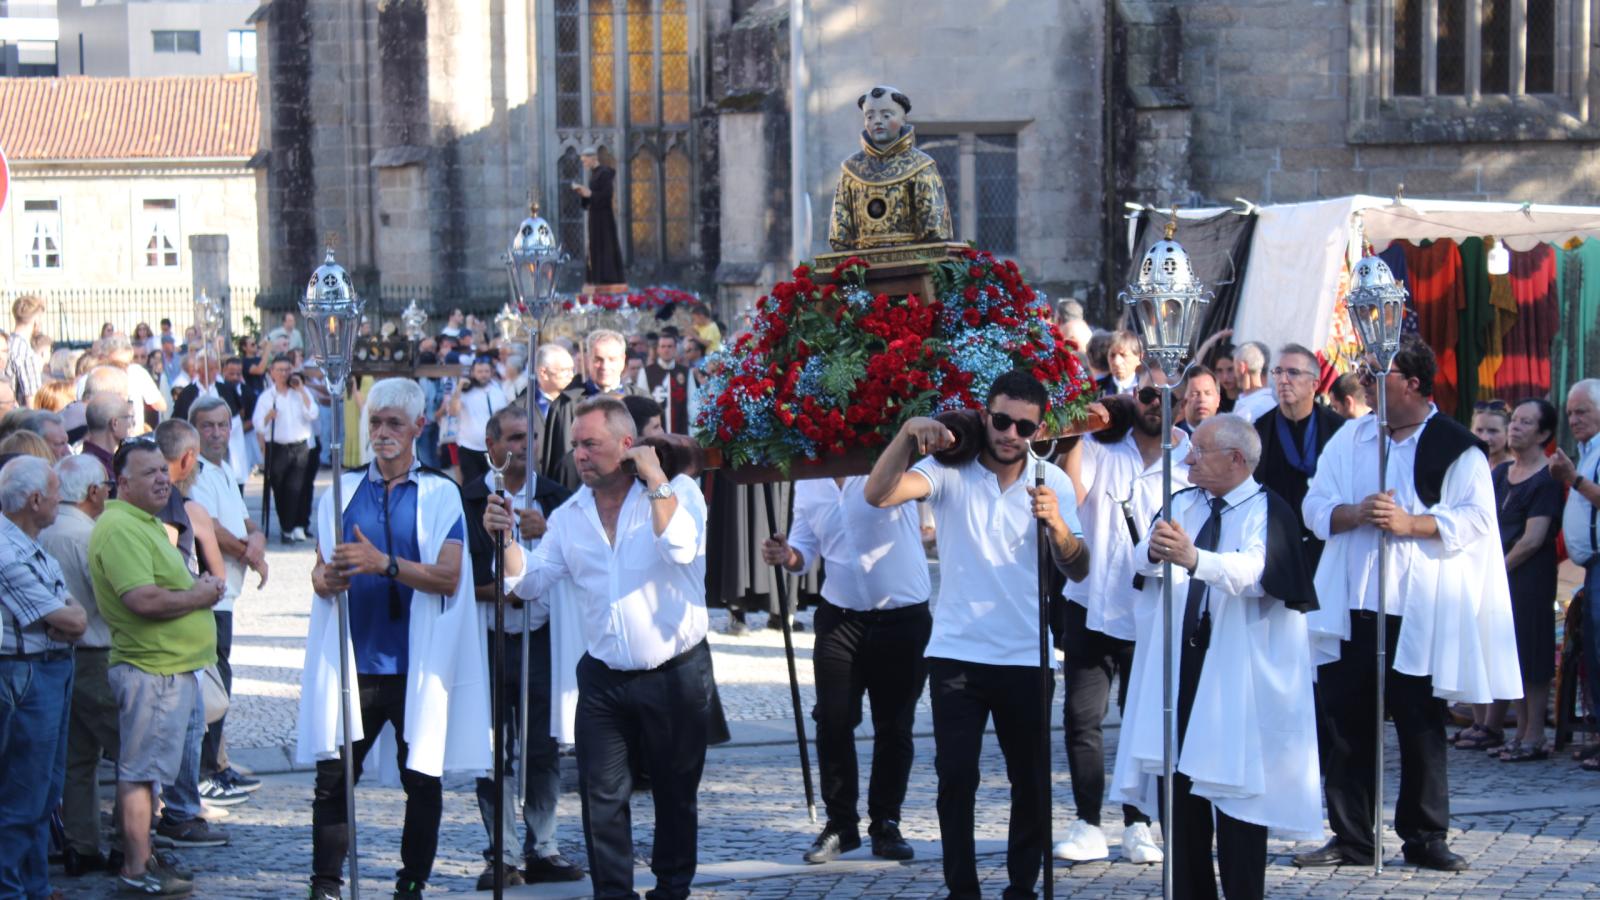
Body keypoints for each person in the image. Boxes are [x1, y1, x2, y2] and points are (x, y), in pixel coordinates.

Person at [1297, 336, 1521, 871]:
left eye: (1379, 373)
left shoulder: (1457, 446)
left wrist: (1411, 523)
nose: (1365, 381)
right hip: (1354, 601)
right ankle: (1353, 837)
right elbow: (1314, 503)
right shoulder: (1352, 437)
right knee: (1345, 725)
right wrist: (1354, 513)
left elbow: (1476, 519)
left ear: (1413, 384)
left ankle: (1424, 836)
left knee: (1420, 725)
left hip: (1416, 606)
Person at [864, 370, 1089, 900]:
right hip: (957, 653)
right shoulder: (950, 471)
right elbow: (878, 494)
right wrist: (907, 435)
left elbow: (1079, 567)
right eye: (1003, 420)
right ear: (986, 415)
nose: (1011, 434)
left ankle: (1021, 888)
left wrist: (1057, 526)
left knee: (1030, 780)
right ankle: (961, 889)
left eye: (1025, 427)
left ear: (1039, 430)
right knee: (956, 778)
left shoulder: (1051, 481)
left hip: (1027, 656)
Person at [488, 396, 712, 900]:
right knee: (602, 797)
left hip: (674, 671)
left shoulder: (680, 492)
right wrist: (506, 540)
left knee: (675, 793)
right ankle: (613, 894)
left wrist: (655, 479)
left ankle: (671, 890)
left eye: (590, 444)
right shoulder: (570, 515)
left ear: (627, 444)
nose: (580, 456)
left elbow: (680, 547)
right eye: (576, 446)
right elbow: (527, 584)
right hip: (604, 677)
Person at [1112, 414, 1324, 900]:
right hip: (1180, 665)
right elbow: (1141, 562)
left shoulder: (1268, 509)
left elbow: (1257, 571)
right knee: (1179, 792)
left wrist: (1195, 559)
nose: (1188, 458)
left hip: (1235, 673)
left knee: (1235, 795)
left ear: (1235, 459)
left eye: (1200, 450)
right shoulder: (1182, 502)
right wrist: (1154, 551)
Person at [299, 378, 489, 900]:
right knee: (334, 780)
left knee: (421, 778)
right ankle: (325, 884)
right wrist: (327, 579)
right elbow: (318, 572)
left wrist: (383, 564)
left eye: (394, 424)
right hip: (354, 661)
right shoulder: (341, 491)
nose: (382, 432)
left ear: (418, 428)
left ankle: (411, 881)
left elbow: (449, 577)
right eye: (376, 421)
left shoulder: (440, 493)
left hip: (415, 665)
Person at [761, 474, 932, 865]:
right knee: (832, 720)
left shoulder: (883, 466)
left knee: (894, 725)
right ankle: (841, 824)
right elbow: (804, 551)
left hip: (902, 616)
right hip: (840, 616)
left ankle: (886, 823)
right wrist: (787, 555)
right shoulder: (810, 481)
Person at [1052, 378, 1184, 866]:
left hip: (1151, 609)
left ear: (1184, 404)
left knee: (1143, 721)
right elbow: (1071, 494)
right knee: (1081, 718)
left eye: (1169, 397)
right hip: (1091, 601)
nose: (1156, 404)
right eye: (1147, 394)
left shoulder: (1188, 460)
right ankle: (1087, 822)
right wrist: (1079, 426)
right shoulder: (1101, 445)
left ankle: (1138, 823)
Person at [91, 438, 227, 894]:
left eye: (162, 471)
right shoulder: (120, 528)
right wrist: (199, 596)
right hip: (151, 670)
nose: (161, 480)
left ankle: (143, 858)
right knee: (139, 774)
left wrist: (196, 587)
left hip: (167, 668)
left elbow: (164, 585)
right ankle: (136, 870)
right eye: (148, 473)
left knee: (148, 775)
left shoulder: (144, 522)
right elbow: (143, 599)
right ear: (122, 482)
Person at [462, 406, 584, 889]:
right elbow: (457, 573)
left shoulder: (558, 499)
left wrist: (546, 533)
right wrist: (502, 589)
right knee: (492, 748)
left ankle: (544, 845)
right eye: (513, 437)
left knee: (542, 746)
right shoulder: (466, 500)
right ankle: (502, 852)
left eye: (530, 436)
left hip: (543, 637)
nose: (523, 446)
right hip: (488, 637)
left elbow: (582, 559)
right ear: (490, 445)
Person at [0, 456, 88, 899]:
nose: (60, 500)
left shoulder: (30, 543)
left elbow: (73, 613)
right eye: (55, 493)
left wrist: (65, 617)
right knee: (24, 793)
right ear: (35, 500)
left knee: (44, 792)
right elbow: (70, 618)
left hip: (49, 669)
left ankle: (33, 886)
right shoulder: (5, 550)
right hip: (27, 674)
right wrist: (65, 618)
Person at [1460, 398, 1563, 762]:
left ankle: (1534, 734)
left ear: (1544, 434)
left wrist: (1497, 570)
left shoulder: (1547, 477)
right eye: (1515, 420)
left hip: (1528, 576)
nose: (1516, 427)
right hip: (1498, 573)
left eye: (1526, 423)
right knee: (1509, 652)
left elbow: (1533, 539)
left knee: (1532, 652)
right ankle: (1517, 730)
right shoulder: (1502, 473)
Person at [40, 455, 121, 876]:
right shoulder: (88, 536)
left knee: (77, 757)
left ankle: (81, 845)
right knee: (129, 752)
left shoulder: (44, 531)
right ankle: (129, 846)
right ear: (93, 492)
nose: (108, 492)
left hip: (59, 653)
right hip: (94, 653)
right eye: (107, 486)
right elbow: (111, 600)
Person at [187, 397, 269, 799]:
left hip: (227, 594)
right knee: (214, 685)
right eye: (208, 426)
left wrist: (258, 539)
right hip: (211, 593)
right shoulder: (198, 473)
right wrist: (250, 554)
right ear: (195, 430)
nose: (217, 433)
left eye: (222, 425)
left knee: (222, 679)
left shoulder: (223, 469)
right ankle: (207, 770)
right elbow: (212, 528)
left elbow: (246, 520)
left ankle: (218, 763)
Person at [1252, 343, 1346, 571]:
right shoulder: (1259, 430)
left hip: (1326, 545)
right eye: (1278, 372)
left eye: (1293, 372)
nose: (1283, 380)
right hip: (1275, 547)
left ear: (1315, 383)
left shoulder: (1340, 430)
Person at [827, 85, 952, 251]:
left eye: (886, 115)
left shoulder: (921, 166)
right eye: (870, 116)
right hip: (861, 261)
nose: (877, 121)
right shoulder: (851, 169)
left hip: (911, 260)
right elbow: (840, 233)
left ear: (903, 119)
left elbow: (935, 229)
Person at [1549, 379, 1600, 772]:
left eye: (1582, 411)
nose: (1574, 419)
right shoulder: (1586, 452)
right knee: (1593, 654)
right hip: (1591, 567)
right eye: (1570, 413)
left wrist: (1573, 479)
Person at [252, 355, 318, 543]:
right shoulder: (267, 397)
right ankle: (286, 525)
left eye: (287, 370)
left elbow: (313, 413)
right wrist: (268, 417)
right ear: (272, 373)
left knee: (298, 487)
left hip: (300, 446)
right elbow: (258, 424)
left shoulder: (300, 392)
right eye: (279, 370)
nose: (284, 374)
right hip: (278, 447)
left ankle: (297, 526)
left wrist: (302, 390)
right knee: (280, 488)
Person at [575, 147, 627, 289]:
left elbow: (607, 195)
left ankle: (606, 279)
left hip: (603, 218)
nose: (584, 164)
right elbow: (592, 197)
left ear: (593, 158)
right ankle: (596, 279)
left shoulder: (604, 173)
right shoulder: (594, 174)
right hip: (595, 217)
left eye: (585, 161)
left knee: (605, 246)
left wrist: (590, 194)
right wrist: (584, 195)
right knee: (595, 246)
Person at [453, 356, 509, 488]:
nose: (483, 375)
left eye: (486, 371)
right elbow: (453, 411)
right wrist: (459, 388)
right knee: (472, 486)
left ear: (492, 372)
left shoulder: (498, 390)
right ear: (473, 372)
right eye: (479, 371)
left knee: (492, 486)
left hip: (492, 448)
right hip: (469, 447)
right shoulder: (465, 391)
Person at [5, 294, 46, 407]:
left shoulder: (6, 344)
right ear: (36, 319)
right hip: (17, 415)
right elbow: (32, 400)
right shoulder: (26, 353)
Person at [583, 330, 647, 399]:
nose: (605, 366)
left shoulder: (642, 399)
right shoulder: (574, 400)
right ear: (588, 360)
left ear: (622, 360)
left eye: (612, 360)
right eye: (598, 360)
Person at [82, 393, 133, 480]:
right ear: (114, 423)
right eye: (128, 417)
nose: (132, 423)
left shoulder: (86, 460)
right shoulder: (95, 469)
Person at [1229, 341, 1276, 422]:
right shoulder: (1268, 403)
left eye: (1234, 367)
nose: (1233, 374)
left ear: (1242, 367)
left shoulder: (1251, 411)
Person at [1178, 365, 1221, 435]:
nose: (1202, 399)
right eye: (1195, 394)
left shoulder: (1229, 436)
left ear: (1218, 400)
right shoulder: (1173, 437)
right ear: (1183, 401)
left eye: (1208, 393)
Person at [1097, 330, 1141, 396]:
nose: (1116, 362)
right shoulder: (1097, 388)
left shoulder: (1146, 388)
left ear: (1139, 358)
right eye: (1112, 355)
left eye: (1123, 355)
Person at [1471, 400, 1512, 470]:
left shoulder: (1515, 470)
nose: (1484, 438)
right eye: (1479, 430)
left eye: (1493, 431)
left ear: (1508, 432)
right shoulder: (1467, 465)